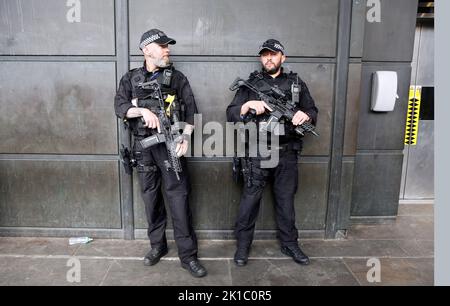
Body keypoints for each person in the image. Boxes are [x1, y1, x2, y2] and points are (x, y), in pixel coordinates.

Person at [114, 29, 207, 278]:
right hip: (143, 148)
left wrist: (186, 137)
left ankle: (188, 256)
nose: (167, 50)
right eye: (162, 46)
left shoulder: (176, 78)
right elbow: (119, 105)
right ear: (146, 50)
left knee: (179, 200)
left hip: (171, 147)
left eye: (168, 46)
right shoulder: (130, 79)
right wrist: (142, 112)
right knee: (151, 200)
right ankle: (157, 246)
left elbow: (192, 112)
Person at [226, 39, 319, 266]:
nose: (269, 58)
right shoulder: (250, 84)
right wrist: (248, 106)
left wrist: (305, 116)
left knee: (286, 200)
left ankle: (290, 243)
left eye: (273, 54)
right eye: (265, 54)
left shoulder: (297, 83)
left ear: (282, 58)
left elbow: (312, 111)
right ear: (261, 58)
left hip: (287, 152)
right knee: (250, 200)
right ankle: (243, 245)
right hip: (258, 151)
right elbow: (230, 113)